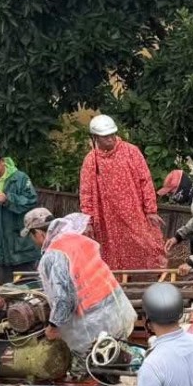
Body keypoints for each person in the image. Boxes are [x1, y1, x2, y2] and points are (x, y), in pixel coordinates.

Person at [24, 208, 137, 365]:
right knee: (118, 358)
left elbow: (63, 299)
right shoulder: (77, 238)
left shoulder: (53, 255)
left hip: (94, 324)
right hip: (118, 311)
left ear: (38, 233)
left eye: (31, 236)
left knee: (90, 369)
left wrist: (53, 326)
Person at [78, 115, 165, 273]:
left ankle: (153, 278)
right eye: (105, 137)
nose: (110, 139)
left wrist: (151, 210)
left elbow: (145, 180)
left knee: (147, 245)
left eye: (112, 135)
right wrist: (88, 220)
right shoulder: (91, 161)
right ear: (95, 137)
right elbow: (86, 193)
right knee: (112, 254)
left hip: (134, 213)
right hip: (107, 219)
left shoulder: (131, 152)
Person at [0, 145, 40, 276]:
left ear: (2, 161)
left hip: (22, 249)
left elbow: (32, 201)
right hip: (0, 251)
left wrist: (8, 200)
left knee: (27, 291)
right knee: (3, 292)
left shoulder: (20, 179)